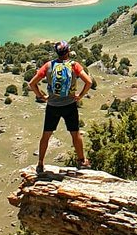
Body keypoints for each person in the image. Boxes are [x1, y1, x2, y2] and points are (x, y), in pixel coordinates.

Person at [28, 40, 94, 175]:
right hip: (70, 105)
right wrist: (80, 96)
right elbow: (89, 81)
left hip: (52, 106)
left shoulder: (48, 66)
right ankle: (82, 161)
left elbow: (32, 83)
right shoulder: (74, 65)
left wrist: (42, 96)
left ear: (57, 53)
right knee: (75, 133)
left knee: (46, 135)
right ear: (68, 52)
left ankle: (40, 164)